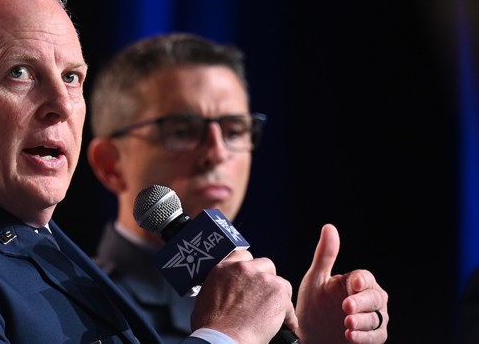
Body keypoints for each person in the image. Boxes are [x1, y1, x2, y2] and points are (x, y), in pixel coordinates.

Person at [0, 0, 300, 344]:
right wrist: (227, 338)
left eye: (71, 77)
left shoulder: (24, 231)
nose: (61, 105)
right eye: (20, 72)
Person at [87, 32, 390, 343]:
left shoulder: (271, 302)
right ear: (111, 164)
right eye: (182, 131)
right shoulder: (82, 308)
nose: (218, 152)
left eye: (234, 130)